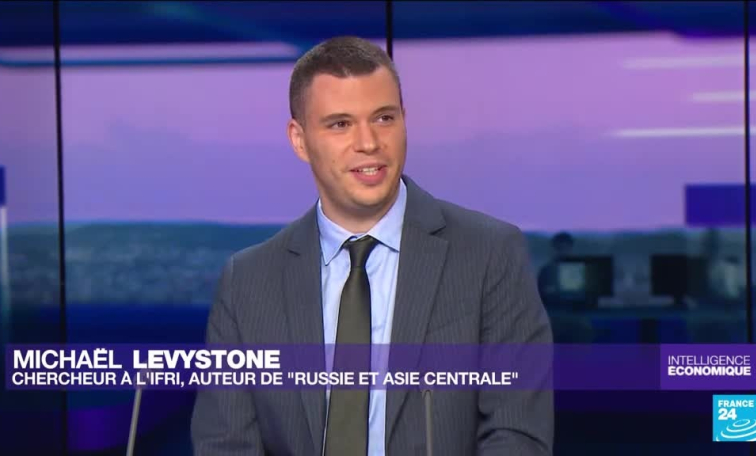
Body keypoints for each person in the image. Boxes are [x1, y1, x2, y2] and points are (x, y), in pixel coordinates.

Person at [191, 36, 553, 456]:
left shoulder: (489, 254)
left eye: (383, 118)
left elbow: (517, 435)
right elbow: (225, 444)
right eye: (340, 124)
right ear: (300, 140)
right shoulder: (249, 282)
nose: (368, 142)